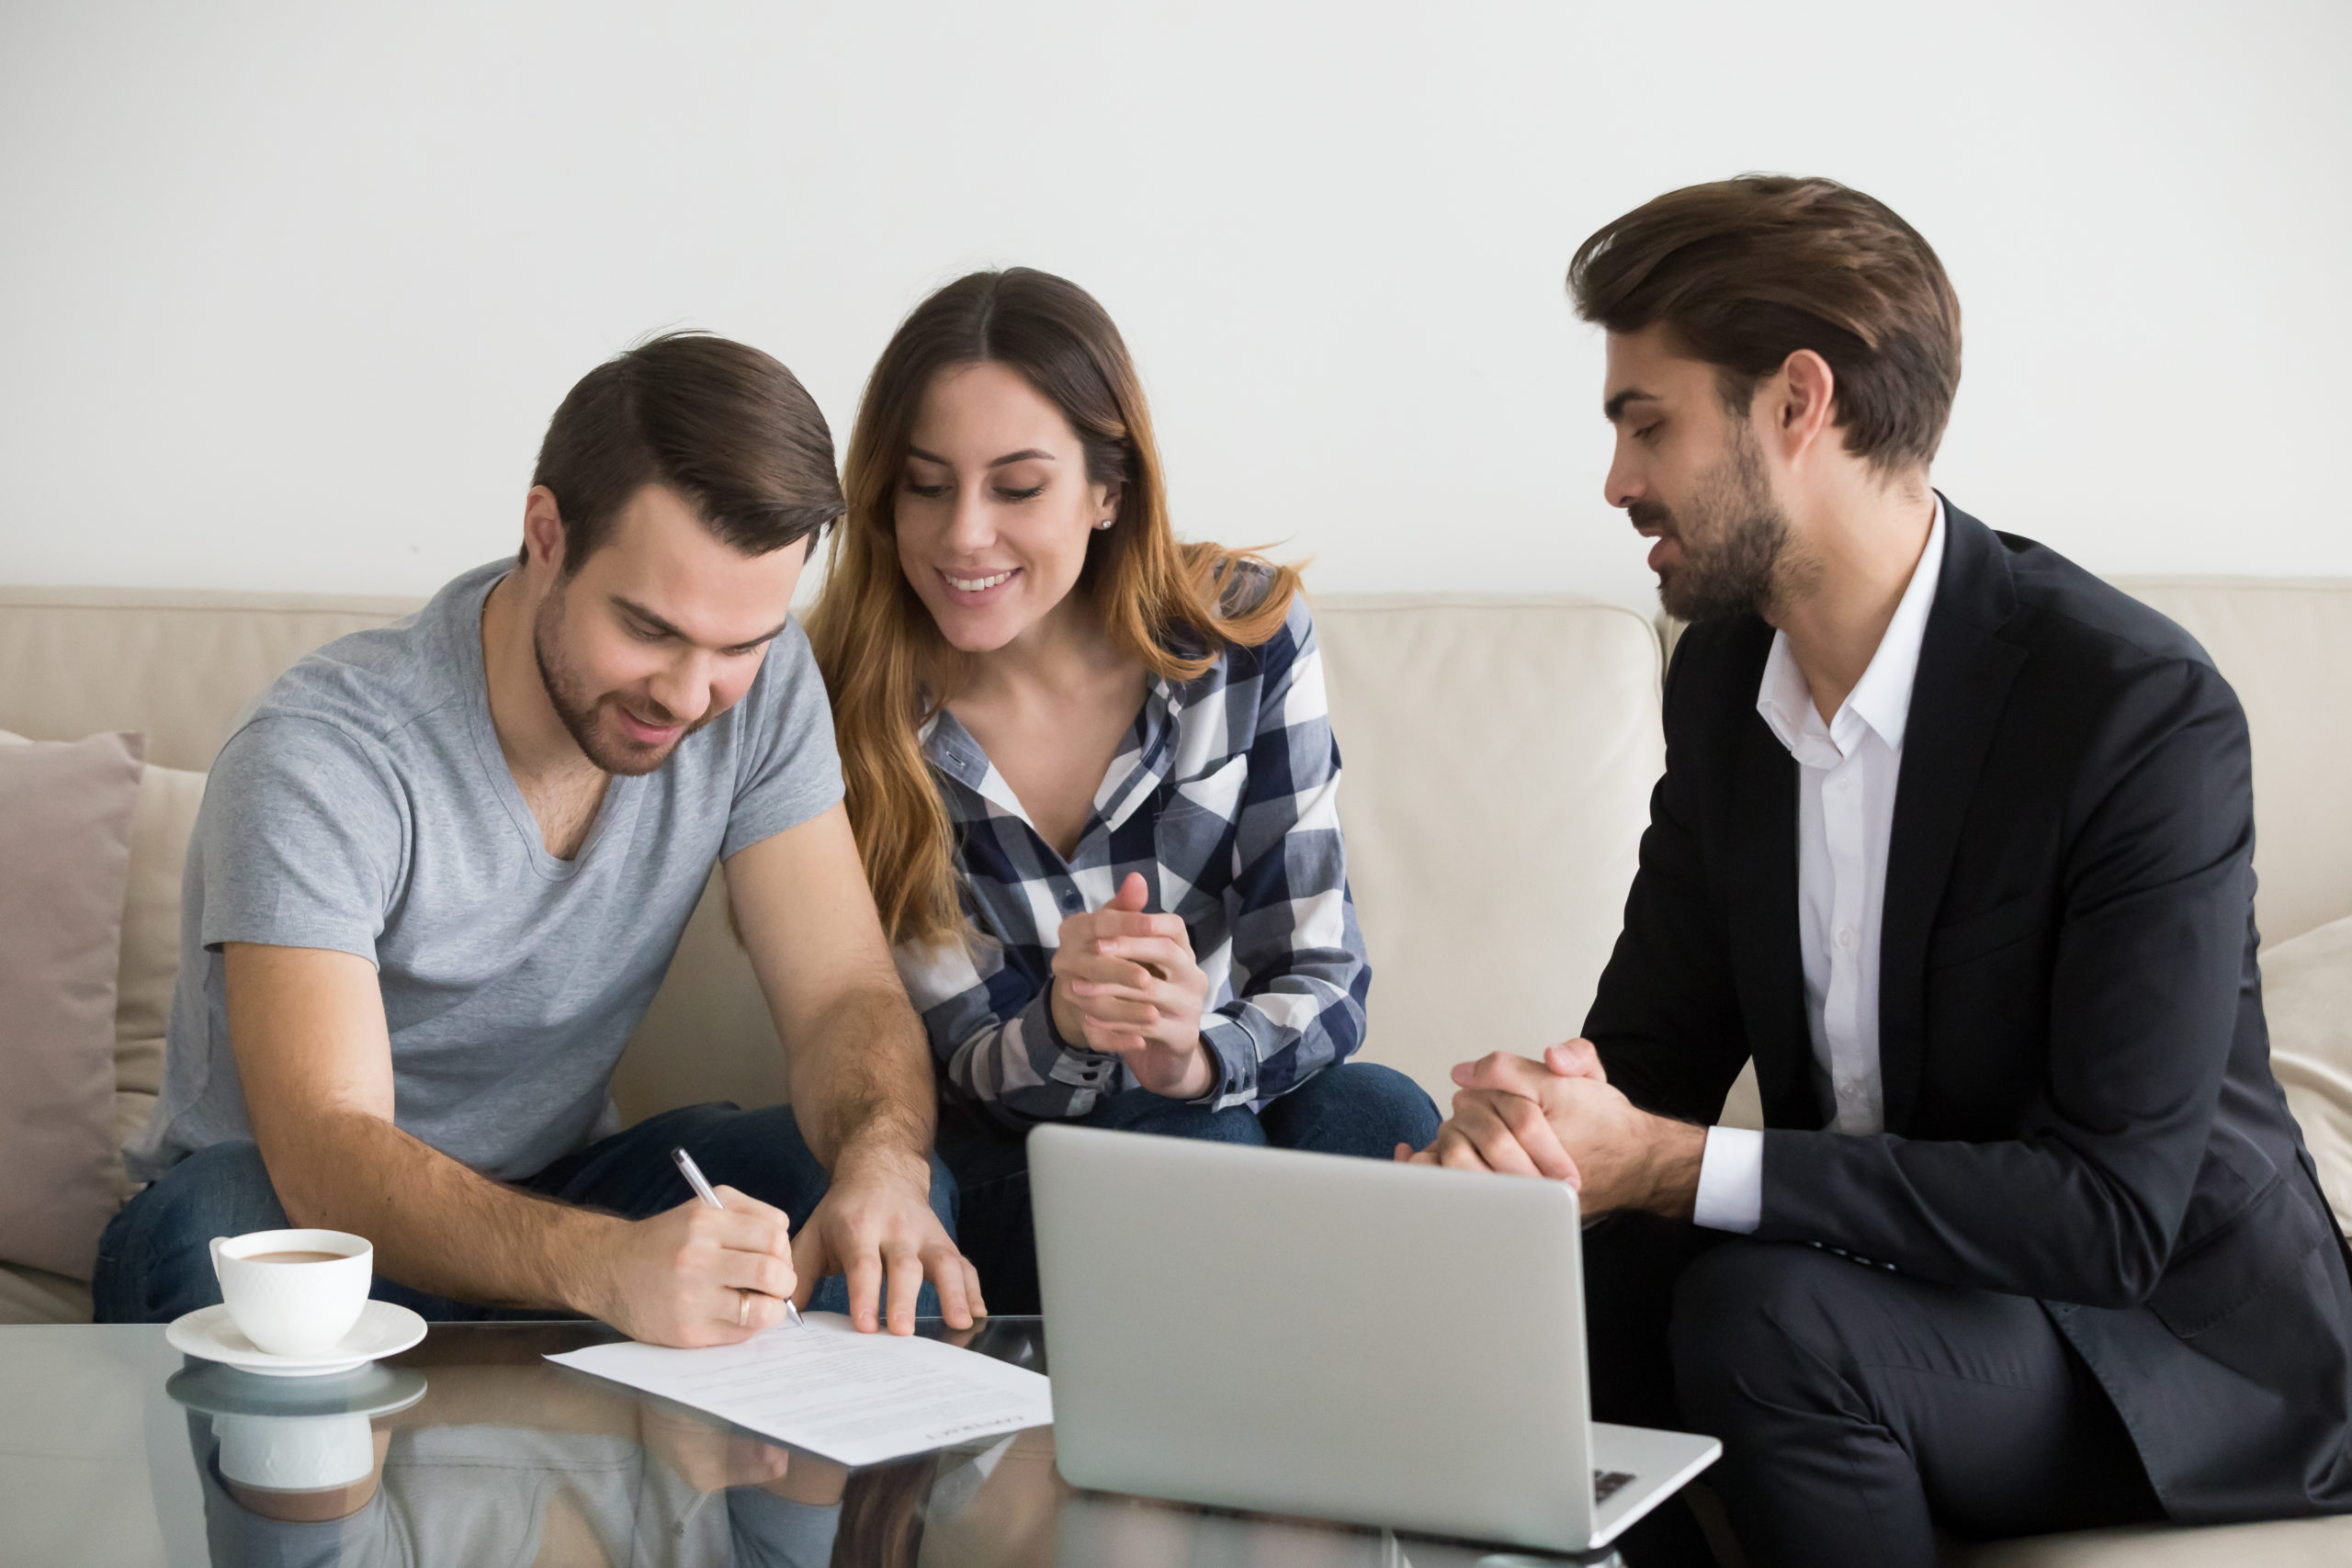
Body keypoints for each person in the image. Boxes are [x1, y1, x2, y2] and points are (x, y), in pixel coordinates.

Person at [1408, 177, 2352, 1565]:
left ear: (1799, 403)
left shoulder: (2131, 709)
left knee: (1764, 1317)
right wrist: (1525, 1143)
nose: (1617, 481)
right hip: (1887, 1284)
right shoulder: (1731, 676)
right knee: (1538, 1298)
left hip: (2158, 1341)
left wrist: (1668, 1163)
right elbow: (1653, 1049)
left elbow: (2107, 1216)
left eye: (1646, 422)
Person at [96, 332, 982, 1344]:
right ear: (545, 533)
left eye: (737, 645)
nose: (692, 696)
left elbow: (841, 996)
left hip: (565, 1189)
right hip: (299, 1219)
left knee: (868, 1199)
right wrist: (607, 1268)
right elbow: (327, 1150)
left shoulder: (764, 689)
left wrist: (882, 1166)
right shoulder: (322, 755)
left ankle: (830, 1497)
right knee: (215, 1236)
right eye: (649, 630)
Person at [807, 268, 1438, 1313]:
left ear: (1109, 491)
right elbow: (958, 1056)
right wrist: (1071, 1019)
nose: (964, 534)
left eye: (1017, 488)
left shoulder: (1242, 635)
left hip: (1220, 1092)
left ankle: (1347, 1450)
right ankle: (1253, 1450)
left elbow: (1322, 973)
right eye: (925, 485)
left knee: (1377, 1112)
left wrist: (1190, 1052)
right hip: (1016, 1157)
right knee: (1194, 1142)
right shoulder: (847, 703)